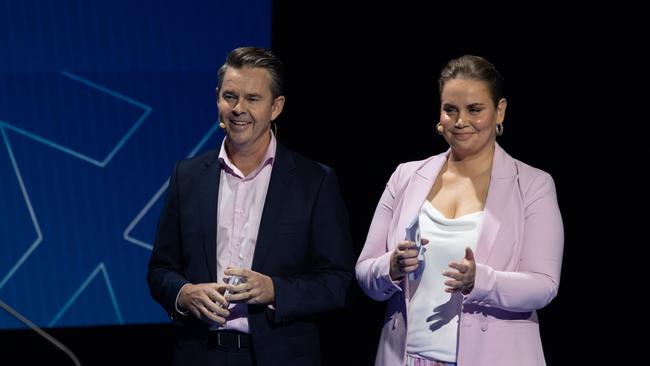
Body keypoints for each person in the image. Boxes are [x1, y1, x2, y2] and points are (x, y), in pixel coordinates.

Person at [147, 46, 354, 366]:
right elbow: (160, 269)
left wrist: (275, 290)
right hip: (200, 354)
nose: (238, 108)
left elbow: (337, 282)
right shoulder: (187, 176)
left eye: (253, 99)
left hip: (281, 355)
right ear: (217, 99)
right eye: (230, 96)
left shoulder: (314, 181)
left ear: (276, 107)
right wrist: (184, 294)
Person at [355, 55, 564, 366]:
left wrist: (481, 281)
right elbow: (364, 270)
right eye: (450, 110)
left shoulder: (532, 185)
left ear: (500, 111)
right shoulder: (407, 176)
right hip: (405, 358)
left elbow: (544, 285)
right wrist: (392, 266)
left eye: (474, 110)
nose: (460, 121)